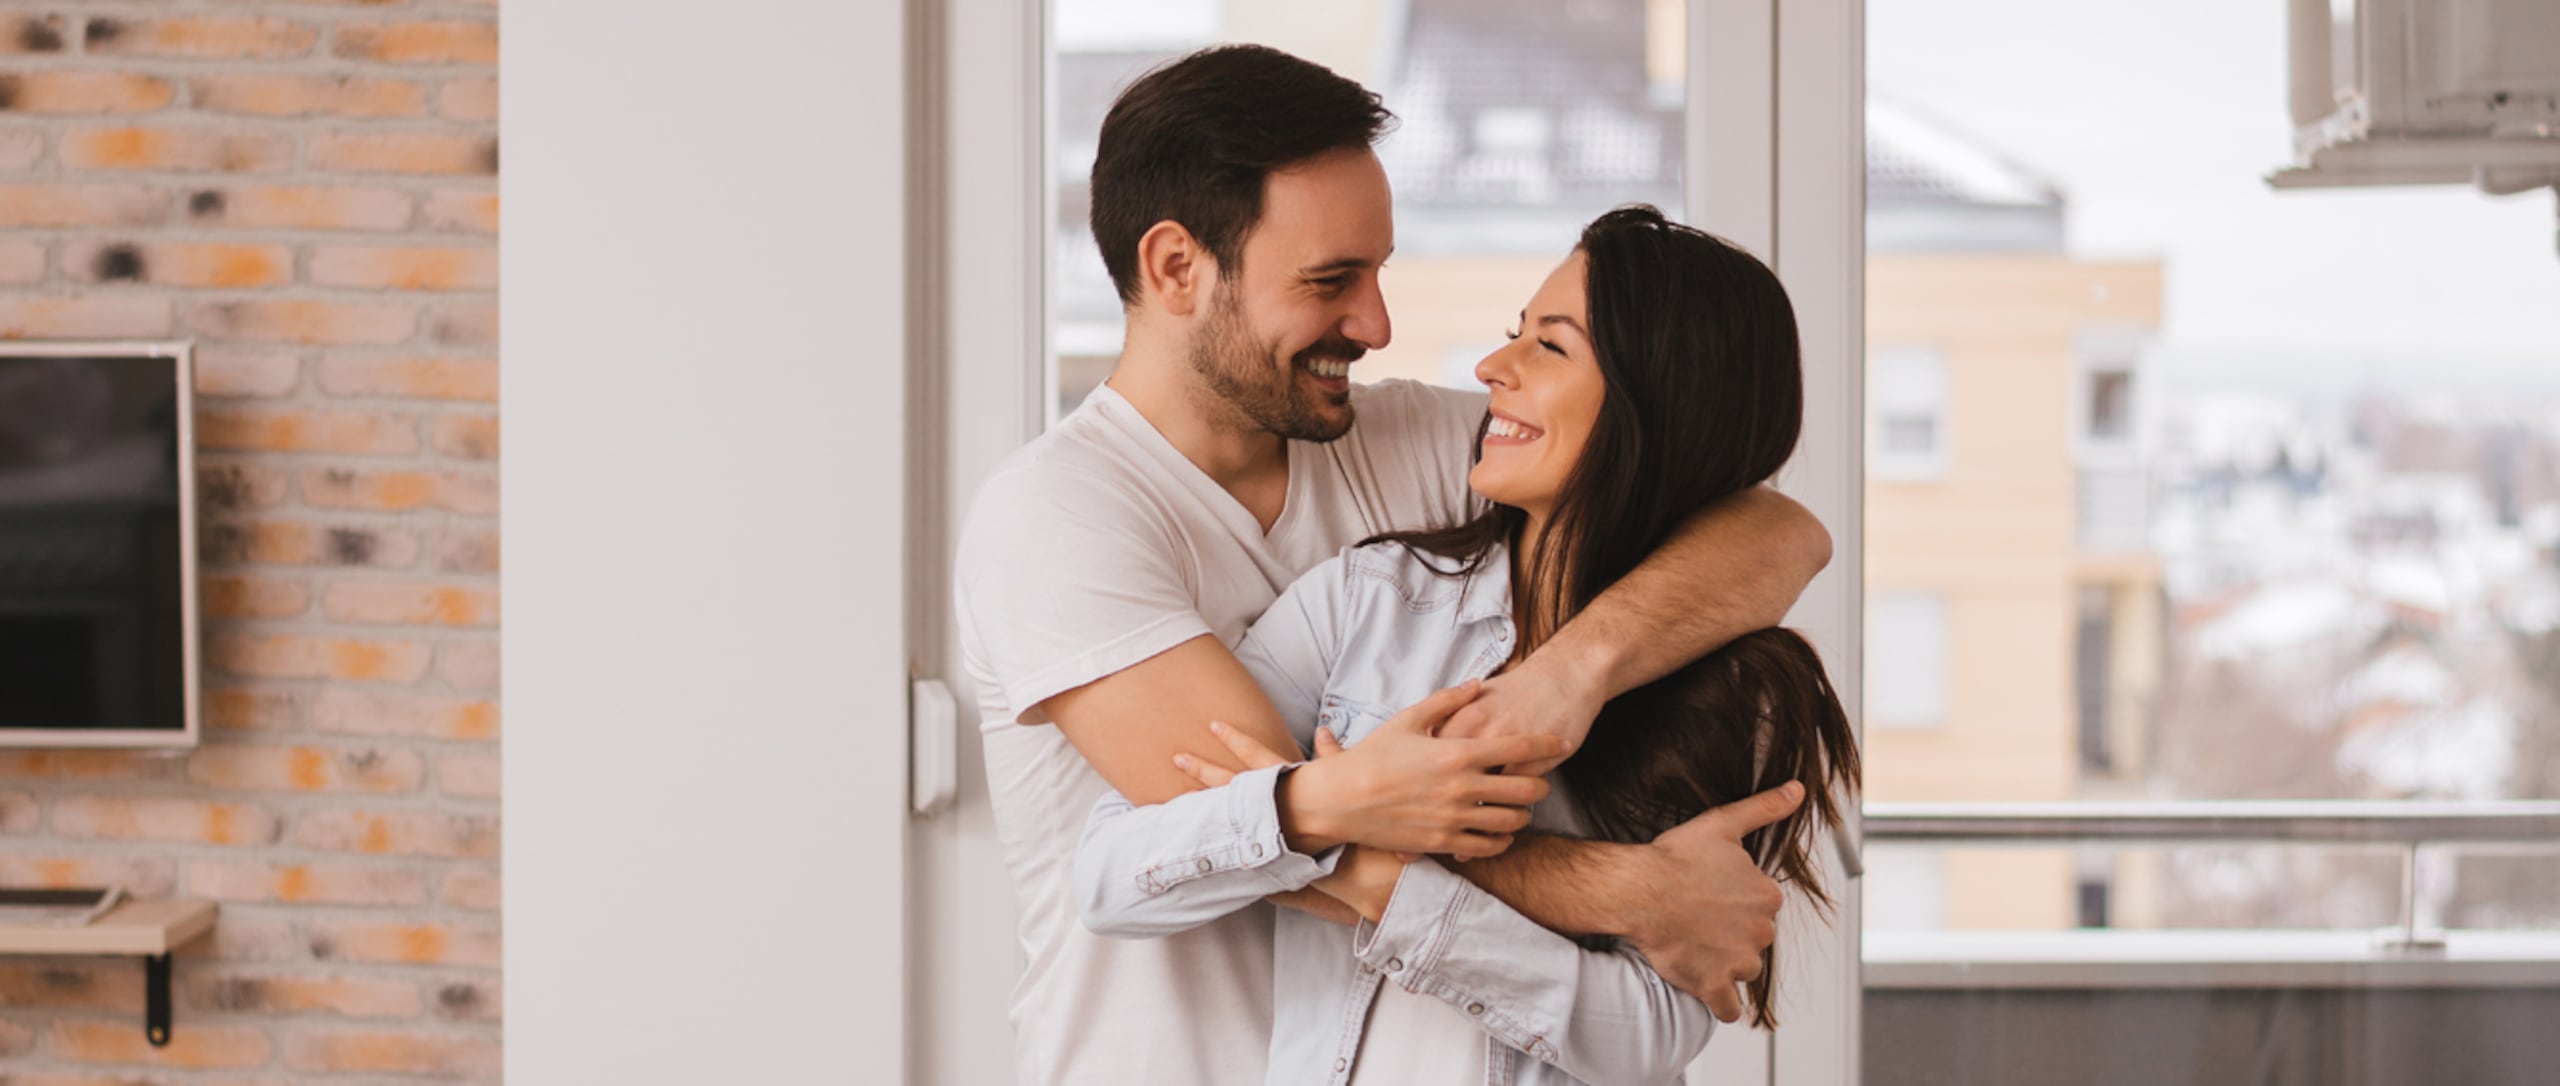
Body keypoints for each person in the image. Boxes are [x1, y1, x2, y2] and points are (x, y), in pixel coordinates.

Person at [954, 46, 1831, 1086]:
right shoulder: (1057, 515)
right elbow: (1274, 834)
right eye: (1331, 281)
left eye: (1378, 273)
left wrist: (1567, 677)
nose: (1375, 324)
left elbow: (1769, 527)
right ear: (1177, 268)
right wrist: (1631, 892)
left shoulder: (1411, 445)